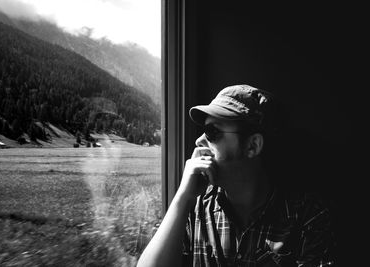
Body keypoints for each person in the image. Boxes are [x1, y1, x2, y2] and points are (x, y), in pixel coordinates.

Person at [137, 85, 336, 267]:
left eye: (211, 132)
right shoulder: (196, 207)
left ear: (253, 146)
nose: (199, 141)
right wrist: (182, 198)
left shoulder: (306, 216)